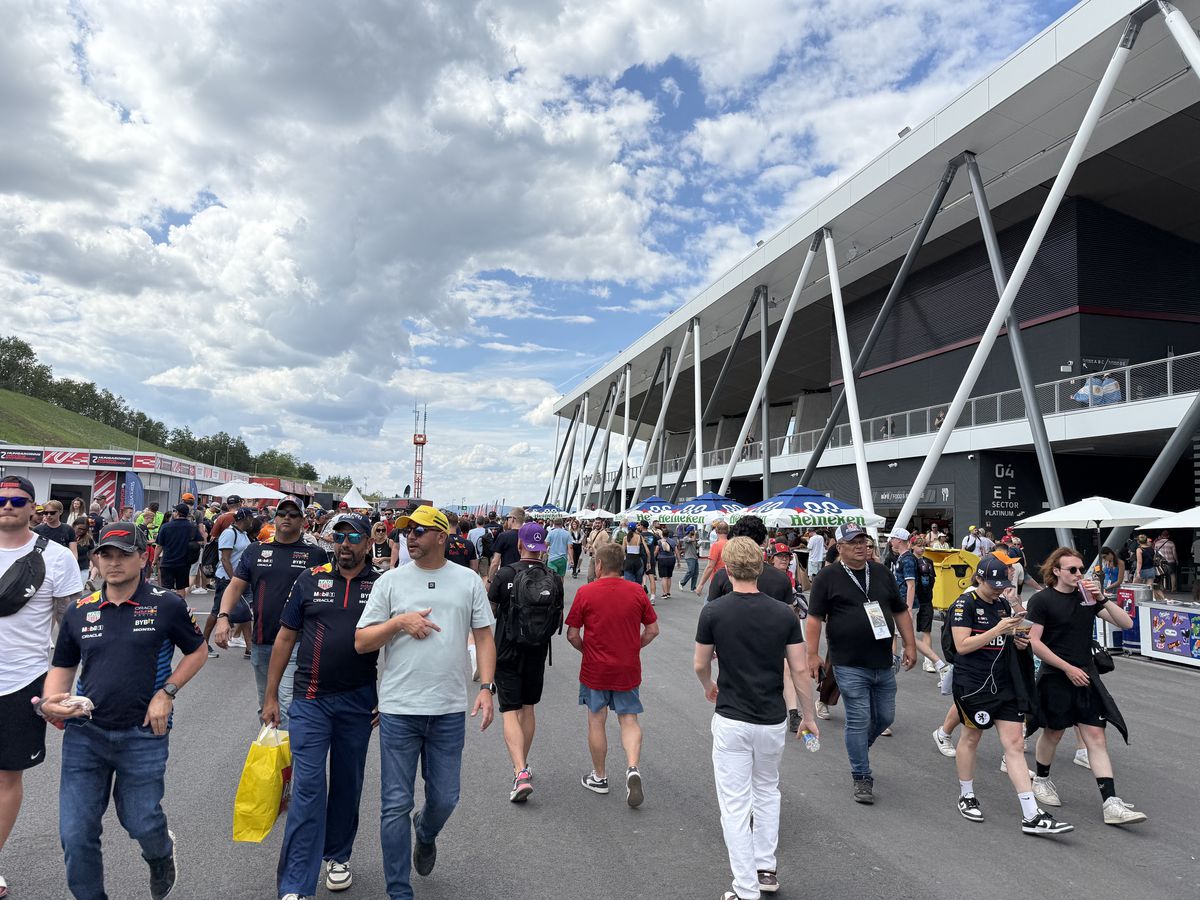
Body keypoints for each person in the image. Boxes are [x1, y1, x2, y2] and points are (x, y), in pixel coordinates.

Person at [41, 522, 206, 900]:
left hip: (143, 733)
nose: (113, 562)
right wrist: (54, 700)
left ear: (144, 557)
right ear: (95, 559)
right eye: (106, 554)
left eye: (123, 554)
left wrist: (167, 692)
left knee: (140, 820)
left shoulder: (167, 604)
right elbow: (63, 665)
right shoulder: (80, 610)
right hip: (86, 733)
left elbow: (197, 651)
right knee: (76, 833)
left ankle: (161, 853)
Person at [354, 505, 497, 900]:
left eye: (418, 531)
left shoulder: (467, 580)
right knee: (394, 805)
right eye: (406, 531)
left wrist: (486, 687)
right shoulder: (390, 582)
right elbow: (362, 640)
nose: (410, 537)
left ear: (441, 536)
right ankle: (399, 891)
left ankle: (427, 831)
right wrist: (400, 623)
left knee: (445, 798)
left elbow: (484, 637)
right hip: (399, 709)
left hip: (448, 709)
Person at [694, 537, 818, 900]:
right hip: (771, 718)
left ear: (727, 569)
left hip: (732, 714)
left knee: (735, 804)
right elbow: (799, 670)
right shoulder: (783, 613)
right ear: (761, 567)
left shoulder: (714, 612)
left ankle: (745, 886)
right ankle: (765, 868)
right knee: (767, 791)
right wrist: (807, 715)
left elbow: (701, 663)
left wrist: (708, 685)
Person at [266, 512, 381, 898]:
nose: (345, 543)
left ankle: (338, 856)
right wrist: (270, 696)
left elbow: (396, 646)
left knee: (348, 783)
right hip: (310, 699)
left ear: (368, 542)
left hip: (359, 701)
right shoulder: (310, 579)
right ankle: (297, 883)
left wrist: (386, 697)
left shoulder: (381, 585)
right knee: (308, 788)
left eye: (354, 537)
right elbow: (285, 638)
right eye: (339, 536)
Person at [947, 554, 1073, 835]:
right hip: (974, 684)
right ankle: (966, 794)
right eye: (992, 584)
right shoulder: (963, 604)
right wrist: (997, 629)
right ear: (978, 578)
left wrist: (1018, 639)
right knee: (971, 736)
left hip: (1005, 683)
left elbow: (1010, 641)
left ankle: (1031, 814)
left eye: (1001, 584)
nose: (997, 589)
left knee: (1014, 744)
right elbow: (962, 646)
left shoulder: (1003, 604)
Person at [0, 476, 82, 900]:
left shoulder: (55, 557)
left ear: (34, 507)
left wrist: (63, 688)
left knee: (5, 775)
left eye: (18, 500)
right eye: (1, 499)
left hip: (21, 681)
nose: (8, 505)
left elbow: (69, 626)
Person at [1026, 548, 1146, 826]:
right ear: (1056, 571)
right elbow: (1035, 642)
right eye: (1073, 570)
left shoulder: (1088, 598)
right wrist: (1067, 668)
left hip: (1087, 675)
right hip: (1056, 675)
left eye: (1081, 569)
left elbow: (1126, 622)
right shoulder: (1042, 601)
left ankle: (1111, 803)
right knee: (1053, 733)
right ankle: (1041, 779)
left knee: (1096, 736)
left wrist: (1102, 597)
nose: (1079, 574)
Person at [806, 523, 915, 804]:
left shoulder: (880, 572)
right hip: (848, 662)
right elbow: (815, 618)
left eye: (863, 541)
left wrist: (910, 645)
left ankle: (858, 749)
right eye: (853, 542)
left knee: (885, 717)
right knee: (858, 717)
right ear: (839, 547)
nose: (860, 546)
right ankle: (861, 775)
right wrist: (812, 654)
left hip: (883, 660)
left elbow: (901, 611)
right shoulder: (827, 577)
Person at [213, 498, 328, 730]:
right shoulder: (255, 550)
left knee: (285, 705)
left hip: (298, 642)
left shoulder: (316, 555)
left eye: (293, 514)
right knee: (265, 705)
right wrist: (223, 616)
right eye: (282, 513)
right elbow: (235, 586)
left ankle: (290, 764)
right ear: (274, 519)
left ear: (304, 521)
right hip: (263, 640)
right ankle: (272, 759)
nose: (287, 517)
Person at [567, 541, 659, 805]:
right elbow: (653, 630)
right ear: (621, 565)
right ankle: (632, 767)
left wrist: (587, 651)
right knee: (629, 719)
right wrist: (633, 647)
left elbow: (572, 634)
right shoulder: (637, 592)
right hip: (627, 668)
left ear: (598, 565)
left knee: (596, 720)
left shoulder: (586, 592)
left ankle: (600, 776)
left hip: (596, 668)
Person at [487, 521, 564, 803]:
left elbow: (491, 609)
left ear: (520, 545)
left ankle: (519, 771)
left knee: (510, 710)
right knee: (528, 708)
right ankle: (524, 764)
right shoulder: (553, 577)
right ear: (543, 547)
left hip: (506, 650)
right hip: (537, 650)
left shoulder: (506, 573)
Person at [154, 504, 201, 598]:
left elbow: (159, 545)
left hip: (168, 561)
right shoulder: (192, 527)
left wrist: (155, 559)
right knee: (181, 588)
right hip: (184, 562)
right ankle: (181, 607)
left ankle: (167, 607)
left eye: (174, 511)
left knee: (166, 588)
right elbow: (199, 542)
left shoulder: (166, 527)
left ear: (177, 513)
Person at [696, 521, 729, 597]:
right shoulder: (732, 544)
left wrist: (701, 584)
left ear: (716, 531)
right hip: (731, 579)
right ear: (727, 531)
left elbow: (710, 566)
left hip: (717, 580)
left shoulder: (716, 546)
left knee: (709, 605)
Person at [620, 522, 649, 589]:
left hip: (629, 560)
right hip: (638, 560)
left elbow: (622, 551)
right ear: (635, 528)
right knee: (638, 582)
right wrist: (648, 562)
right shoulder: (639, 537)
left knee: (629, 583)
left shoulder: (625, 538)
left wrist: (623, 560)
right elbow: (647, 551)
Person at [653, 526, 677, 599]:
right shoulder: (673, 541)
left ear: (662, 534)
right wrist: (678, 561)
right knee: (669, 576)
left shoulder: (659, 542)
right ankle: (668, 592)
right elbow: (676, 551)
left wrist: (652, 558)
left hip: (662, 559)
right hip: (671, 558)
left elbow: (656, 551)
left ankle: (664, 593)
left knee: (664, 577)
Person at [678, 525, 700, 592]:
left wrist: (698, 545)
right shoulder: (686, 538)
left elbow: (695, 546)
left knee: (696, 573)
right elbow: (692, 540)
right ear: (690, 531)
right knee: (691, 571)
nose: (694, 531)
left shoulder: (693, 538)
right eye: (693, 530)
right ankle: (682, 582)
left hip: (694, 556)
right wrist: (695, 535)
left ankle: (693, 587)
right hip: (689, 557)